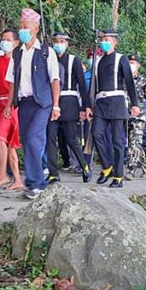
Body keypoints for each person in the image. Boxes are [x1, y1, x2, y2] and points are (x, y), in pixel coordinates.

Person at [4, 9, 60, 200]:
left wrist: (56, 105)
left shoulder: (46, 52)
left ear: (35, 29)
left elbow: (55, 80)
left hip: (42, 103)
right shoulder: (17, 54)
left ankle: (35, 183)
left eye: (26, 27)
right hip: (25, 102)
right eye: (21, 27)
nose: (22, 30)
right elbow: (12, 81)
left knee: (34, 138)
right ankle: (39, 180)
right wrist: (8, 105)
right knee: (28, 140)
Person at [91, 30, 141, 188]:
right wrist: (88, 105)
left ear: (114, 42)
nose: (104, 41)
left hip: (117, 102)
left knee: (117, 140)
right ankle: (107, 166)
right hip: (101, 102)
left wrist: (134, 104)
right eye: (103, 39)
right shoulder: (98, 60)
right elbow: (93, 85)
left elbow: (129, 82)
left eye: (107, 39)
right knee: (96, 133)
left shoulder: (121, 59)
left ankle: (118, 176)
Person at [46, 32, 92, 183]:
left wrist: (84, 107)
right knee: (51, 137)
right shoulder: (48, 59)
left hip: (69, 101)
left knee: (71, 138)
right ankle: (53, 172)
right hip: (52, 101)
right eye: (56, 41)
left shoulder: (74, 60)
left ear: (67, 44)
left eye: (61, 41)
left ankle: (84, 166)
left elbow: (82, 85)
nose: (58, 44)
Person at [0, 29, 24, 190]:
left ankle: (2, 174)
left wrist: (10, 105)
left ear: (16, 43)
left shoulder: (18, 60)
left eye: (8, 39)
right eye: (2, 39)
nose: (4, 42)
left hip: (10, 105)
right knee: (9, 144)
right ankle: (17, 180)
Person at [126, 54, 146, 179]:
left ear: (139, 65)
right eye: (130, 62)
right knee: (133, 144)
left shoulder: (144, 81)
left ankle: (130, 170)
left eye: (134, 62)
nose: (131, 64)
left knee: (135, 142)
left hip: (139, 116)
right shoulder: (122, 80)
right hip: (125, 115)